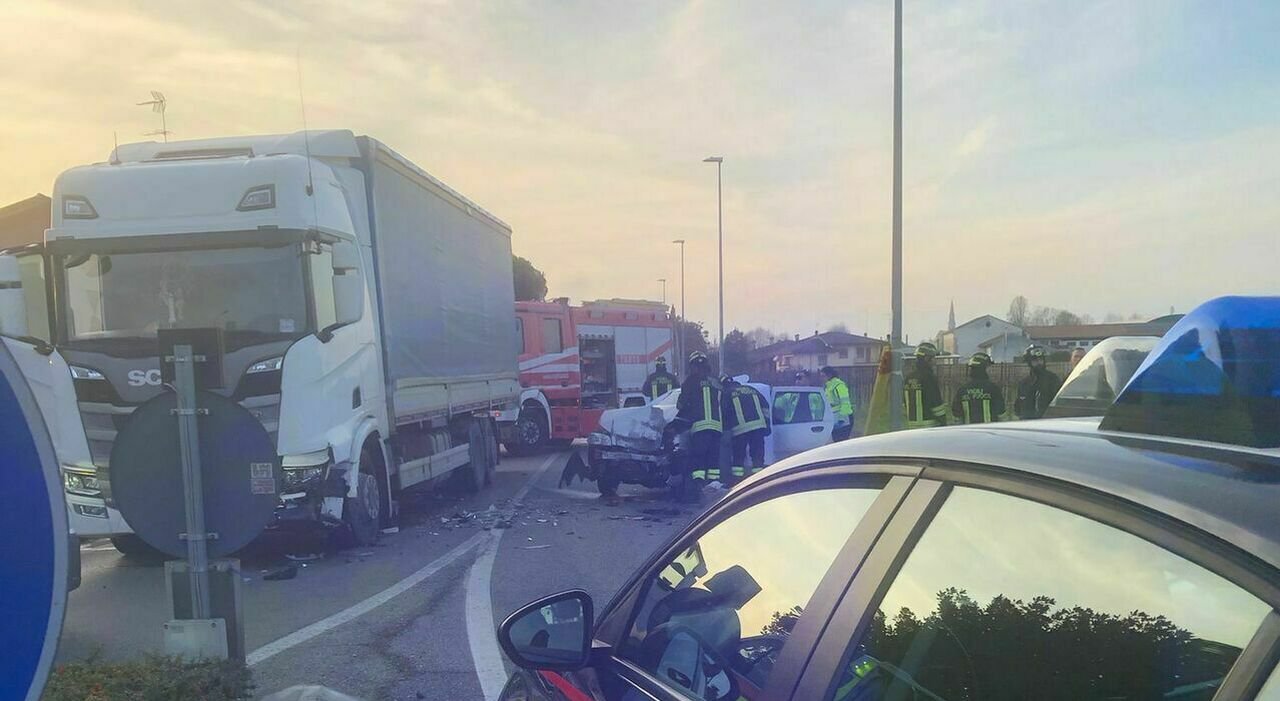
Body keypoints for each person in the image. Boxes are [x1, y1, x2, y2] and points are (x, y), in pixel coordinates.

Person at [673, 351, 722, 502]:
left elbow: (681, 405)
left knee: (698, 460)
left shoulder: (690, 382)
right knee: (713, 461)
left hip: (700, 427)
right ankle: (714, 489)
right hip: (717, 428)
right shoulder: (715, 382)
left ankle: (697, 490)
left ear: (692, 366)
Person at [721, 376, 770, 485]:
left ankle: (737, 483)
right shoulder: (751, 390)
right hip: (758, 427)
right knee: (757, 457)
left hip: (740, 430)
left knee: (738, 458)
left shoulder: (727, 393)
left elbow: (724, 412)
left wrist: (725, 429)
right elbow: (765, 407)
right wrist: (767, 424)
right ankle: (760, 482)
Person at [952, 352, 1005, 424]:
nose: (991, 370)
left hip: (969, 432)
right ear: (984, 369)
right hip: (989, 432)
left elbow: (957, 415)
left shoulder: (962, 390)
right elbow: (1001, 413)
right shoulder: (993, 388)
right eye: (989, 367)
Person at [903, 341, 946, 429]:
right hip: (929, 426)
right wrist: (943, 422)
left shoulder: (908, 378)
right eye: (933, 358)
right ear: (927, 358)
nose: (935, 361)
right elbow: (936, 402)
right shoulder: (929, 377)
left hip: (912, 426)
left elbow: (904, 402)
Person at [1014, 344, 1062, 420]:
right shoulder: (1024, 383)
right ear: (1029, 363)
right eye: (1035, 360)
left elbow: (1058, 404)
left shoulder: (1053, 379)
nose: (1039, 363)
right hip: (1027, 424)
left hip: (1047, 423)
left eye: (1041, 360)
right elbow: (1018, 407)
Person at [821, 366, 854, 441]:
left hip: (844, 418)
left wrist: (841, 418)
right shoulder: (828, 387)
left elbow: (845, 402)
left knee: (841, 442)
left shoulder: (839, 385)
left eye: (823, 376)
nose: (822, 378)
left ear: (829, 375)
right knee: (836, 440)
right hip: (835, 418)